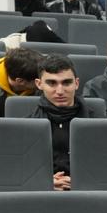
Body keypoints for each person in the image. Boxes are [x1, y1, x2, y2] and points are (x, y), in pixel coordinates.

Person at [28, 55, 101, 190]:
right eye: (52, 83)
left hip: (88, 190)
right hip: (42, 193)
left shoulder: (98, 122)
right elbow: (21, 169)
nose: (60, 91)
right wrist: (45, 182)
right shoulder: (27, 124)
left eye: (66, 83)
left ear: (76, 83)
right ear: (39, 84)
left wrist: (80, 180)